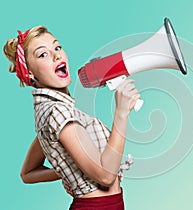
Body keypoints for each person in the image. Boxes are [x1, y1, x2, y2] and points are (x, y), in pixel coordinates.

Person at [3, 26, 140, 210]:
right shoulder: (59, 113)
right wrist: (121, 113)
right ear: (30, 74)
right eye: (42, 54)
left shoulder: (54, 111)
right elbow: (106, 177)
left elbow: (28, 173)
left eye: (57, 47)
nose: (56, 55)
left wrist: (70, 168)